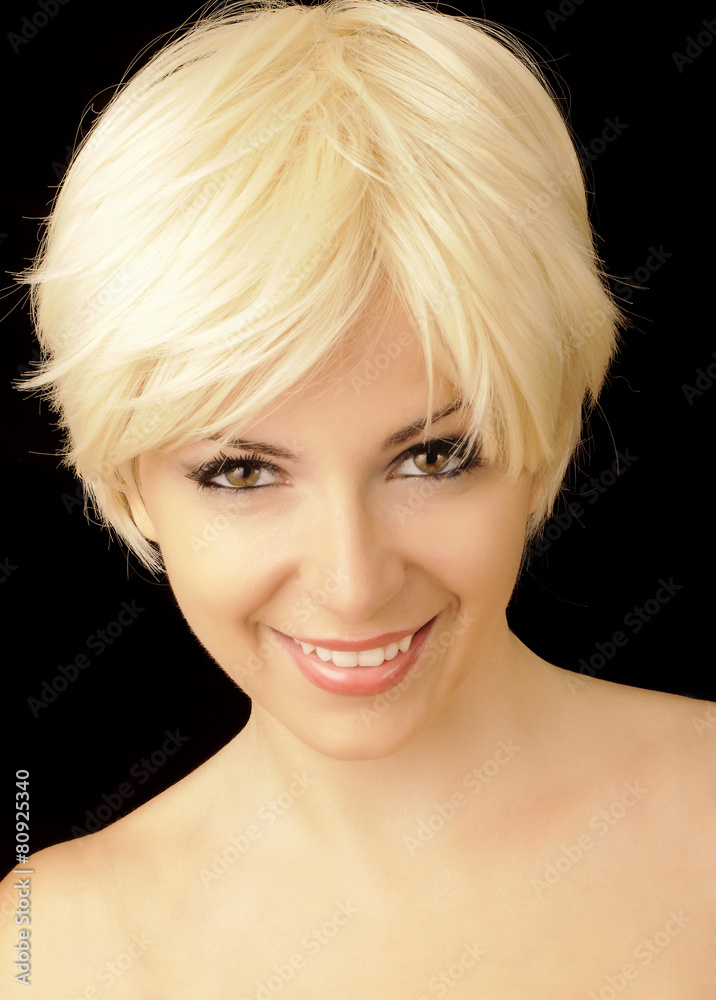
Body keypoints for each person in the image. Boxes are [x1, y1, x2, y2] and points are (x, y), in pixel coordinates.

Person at [3, 0, 714, 994]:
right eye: (242, 472)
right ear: (129, 482)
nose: (352, 584)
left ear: (544, 431)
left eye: (433, 457)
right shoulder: (51, 952)